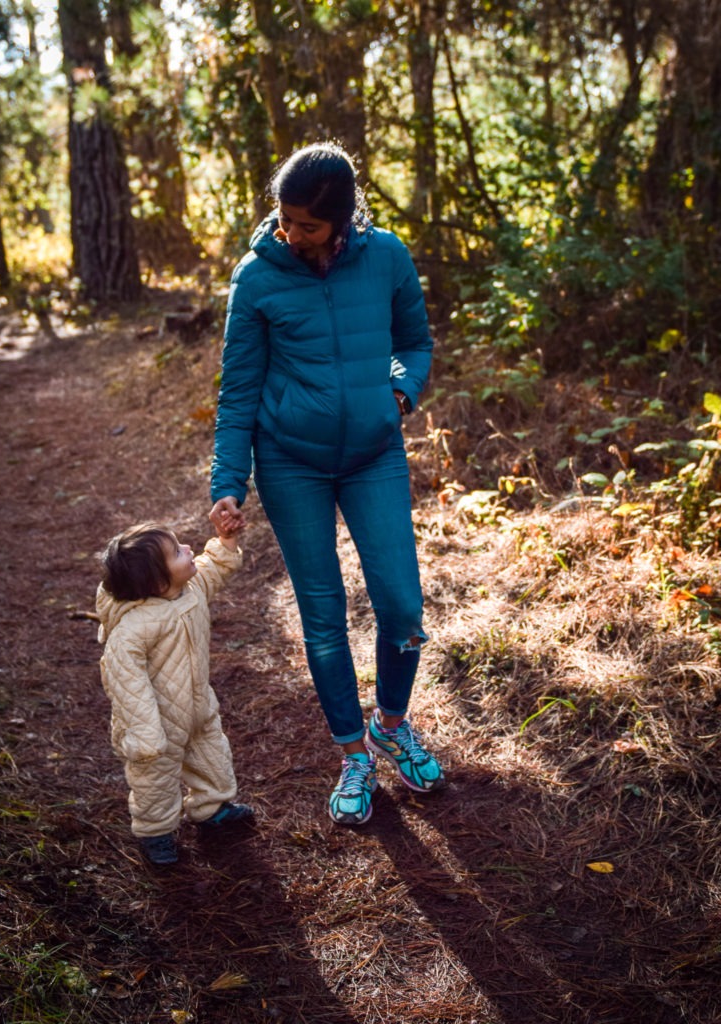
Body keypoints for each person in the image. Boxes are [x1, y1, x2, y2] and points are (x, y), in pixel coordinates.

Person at [209, 141, 445, 827]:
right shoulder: (257, 279)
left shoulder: (389, 258)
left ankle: (391, 724)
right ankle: (352, 754)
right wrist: (230, 480)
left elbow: (416, 344)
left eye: (306, 224)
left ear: (341, 220)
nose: (290, 233)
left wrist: (399, 396)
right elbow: (238, 392)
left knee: (401, 606)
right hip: (291, 464)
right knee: (322, 616)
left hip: (374, 453)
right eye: (283, 219)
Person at [96, 522, 253, 865]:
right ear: (157, 581)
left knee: (212, 759)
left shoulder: (191, 588)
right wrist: (145, 734)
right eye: (176, 551)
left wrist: (226, 540)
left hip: (198, 708)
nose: (187, 548)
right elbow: (126, 682)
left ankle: (211, 809)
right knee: (155, 782)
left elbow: (215, 568)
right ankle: (156, 833)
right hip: (155, 725)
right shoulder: (134, 628)